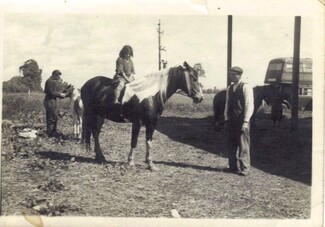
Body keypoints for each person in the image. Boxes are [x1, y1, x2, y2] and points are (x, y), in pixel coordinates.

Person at [224, 66, 254, 176]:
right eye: (230, 74)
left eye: (233, 74)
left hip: (241, 120)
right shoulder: (230, 88)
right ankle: (233, 167)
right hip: (231, 120)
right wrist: (226, 118)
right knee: (231, 144)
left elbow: (249, 105)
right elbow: (227, 104)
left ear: (239, 75)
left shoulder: (246, 87)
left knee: (243, 144)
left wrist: (246, 121)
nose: (231, 76)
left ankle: (245, 168)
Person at [44, 69, 68, 138]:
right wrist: (60, 95)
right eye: (58, 76)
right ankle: (50, 134)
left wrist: (60, 93)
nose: (58, 78)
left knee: (54, 116)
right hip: (50, 101)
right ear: (55, 75)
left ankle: (53, 132)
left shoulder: (52, 81)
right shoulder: (49, 81)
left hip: (52, 100)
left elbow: (54, 92)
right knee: (51, 117)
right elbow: (51, 92)